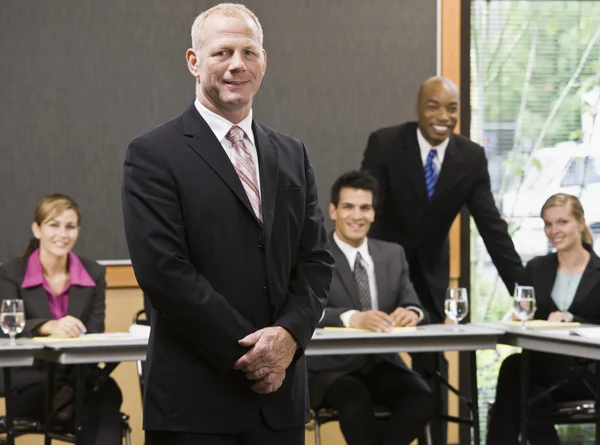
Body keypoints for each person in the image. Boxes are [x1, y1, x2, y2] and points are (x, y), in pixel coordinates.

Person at [121, 4, 334, 445]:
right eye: (222, 52)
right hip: (195, 408)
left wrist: (289, 338)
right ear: (194, 62)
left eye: (249, 52)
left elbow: (316, 261)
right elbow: (163, 272)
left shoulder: (293, 153)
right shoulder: (153, 154)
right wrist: (257, 354)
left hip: (280, 405)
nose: (237, 64)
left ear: (264, 62)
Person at [361, 76, 525, 443]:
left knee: (431, 371)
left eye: (451, 108)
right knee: (373, 367)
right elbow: (366, 212)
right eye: (433, 106)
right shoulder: (386, 143)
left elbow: (492, 232)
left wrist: (527, 293)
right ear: (419, 108)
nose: (443, 116)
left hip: (432, 278)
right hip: (384, 273)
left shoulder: (470, 157)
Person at [307, 171, 436, 445]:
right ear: (333, 211)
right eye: (348, 207)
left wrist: (412, 313)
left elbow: (415, 306)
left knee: (422, 398)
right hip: (331, 369)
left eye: (365, 208)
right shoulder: (312, 255)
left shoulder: (393, 254)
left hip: (383, 363)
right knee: (355, 402)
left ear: (374, 213)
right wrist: (352, 318)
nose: (357, 215)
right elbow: (306, 309)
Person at [0, 193, 123, 445]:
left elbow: (95, 333)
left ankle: (70, 396)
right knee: (98, 405)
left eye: (70, 226)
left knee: (106, 392)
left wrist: (69, 389)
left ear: (78, 231)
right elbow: (5, 330)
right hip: (27, 382)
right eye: (53, 225)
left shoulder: (94, 273)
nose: (62, 234)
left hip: (77, 379)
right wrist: (46, 326)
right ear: (37, 229)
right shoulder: (10, 274)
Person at [487, 193, 600, 445]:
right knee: (532, 394)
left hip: (588, 372)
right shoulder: (537, 269)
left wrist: (573, 319)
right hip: (542, 369)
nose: (553, 230)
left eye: (562, 222)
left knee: (515, 372)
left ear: (581, 223)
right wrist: (520, 317)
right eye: (548, 224)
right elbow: (527, 313)